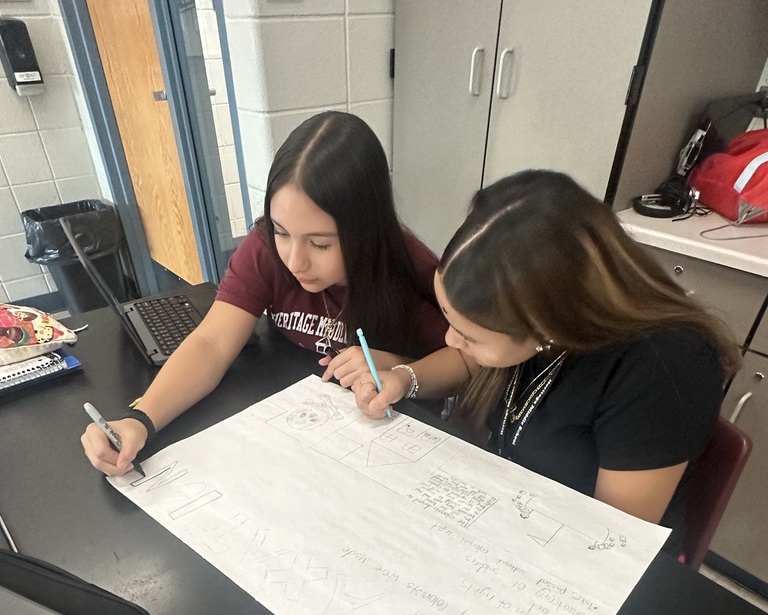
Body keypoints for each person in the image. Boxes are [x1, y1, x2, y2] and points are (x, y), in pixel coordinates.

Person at [353, 169, 741, 547]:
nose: (450, 339)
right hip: (509, 513)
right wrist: (405, 378)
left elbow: (611, 538)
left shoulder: (665, 369)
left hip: (577, 553)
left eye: (469, 334)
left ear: (546, 324)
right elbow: (473, 359)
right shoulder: (534, 322)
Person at [81, 110, 446, 476]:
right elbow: (213, 342)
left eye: (319, 244)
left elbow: (471, 362)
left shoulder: (410, 269)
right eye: (282, 232)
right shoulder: (265, 250)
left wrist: (399, 367)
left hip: (396, 447)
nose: (294, 261)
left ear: (367, 232)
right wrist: (141, 419)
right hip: (307, 440)